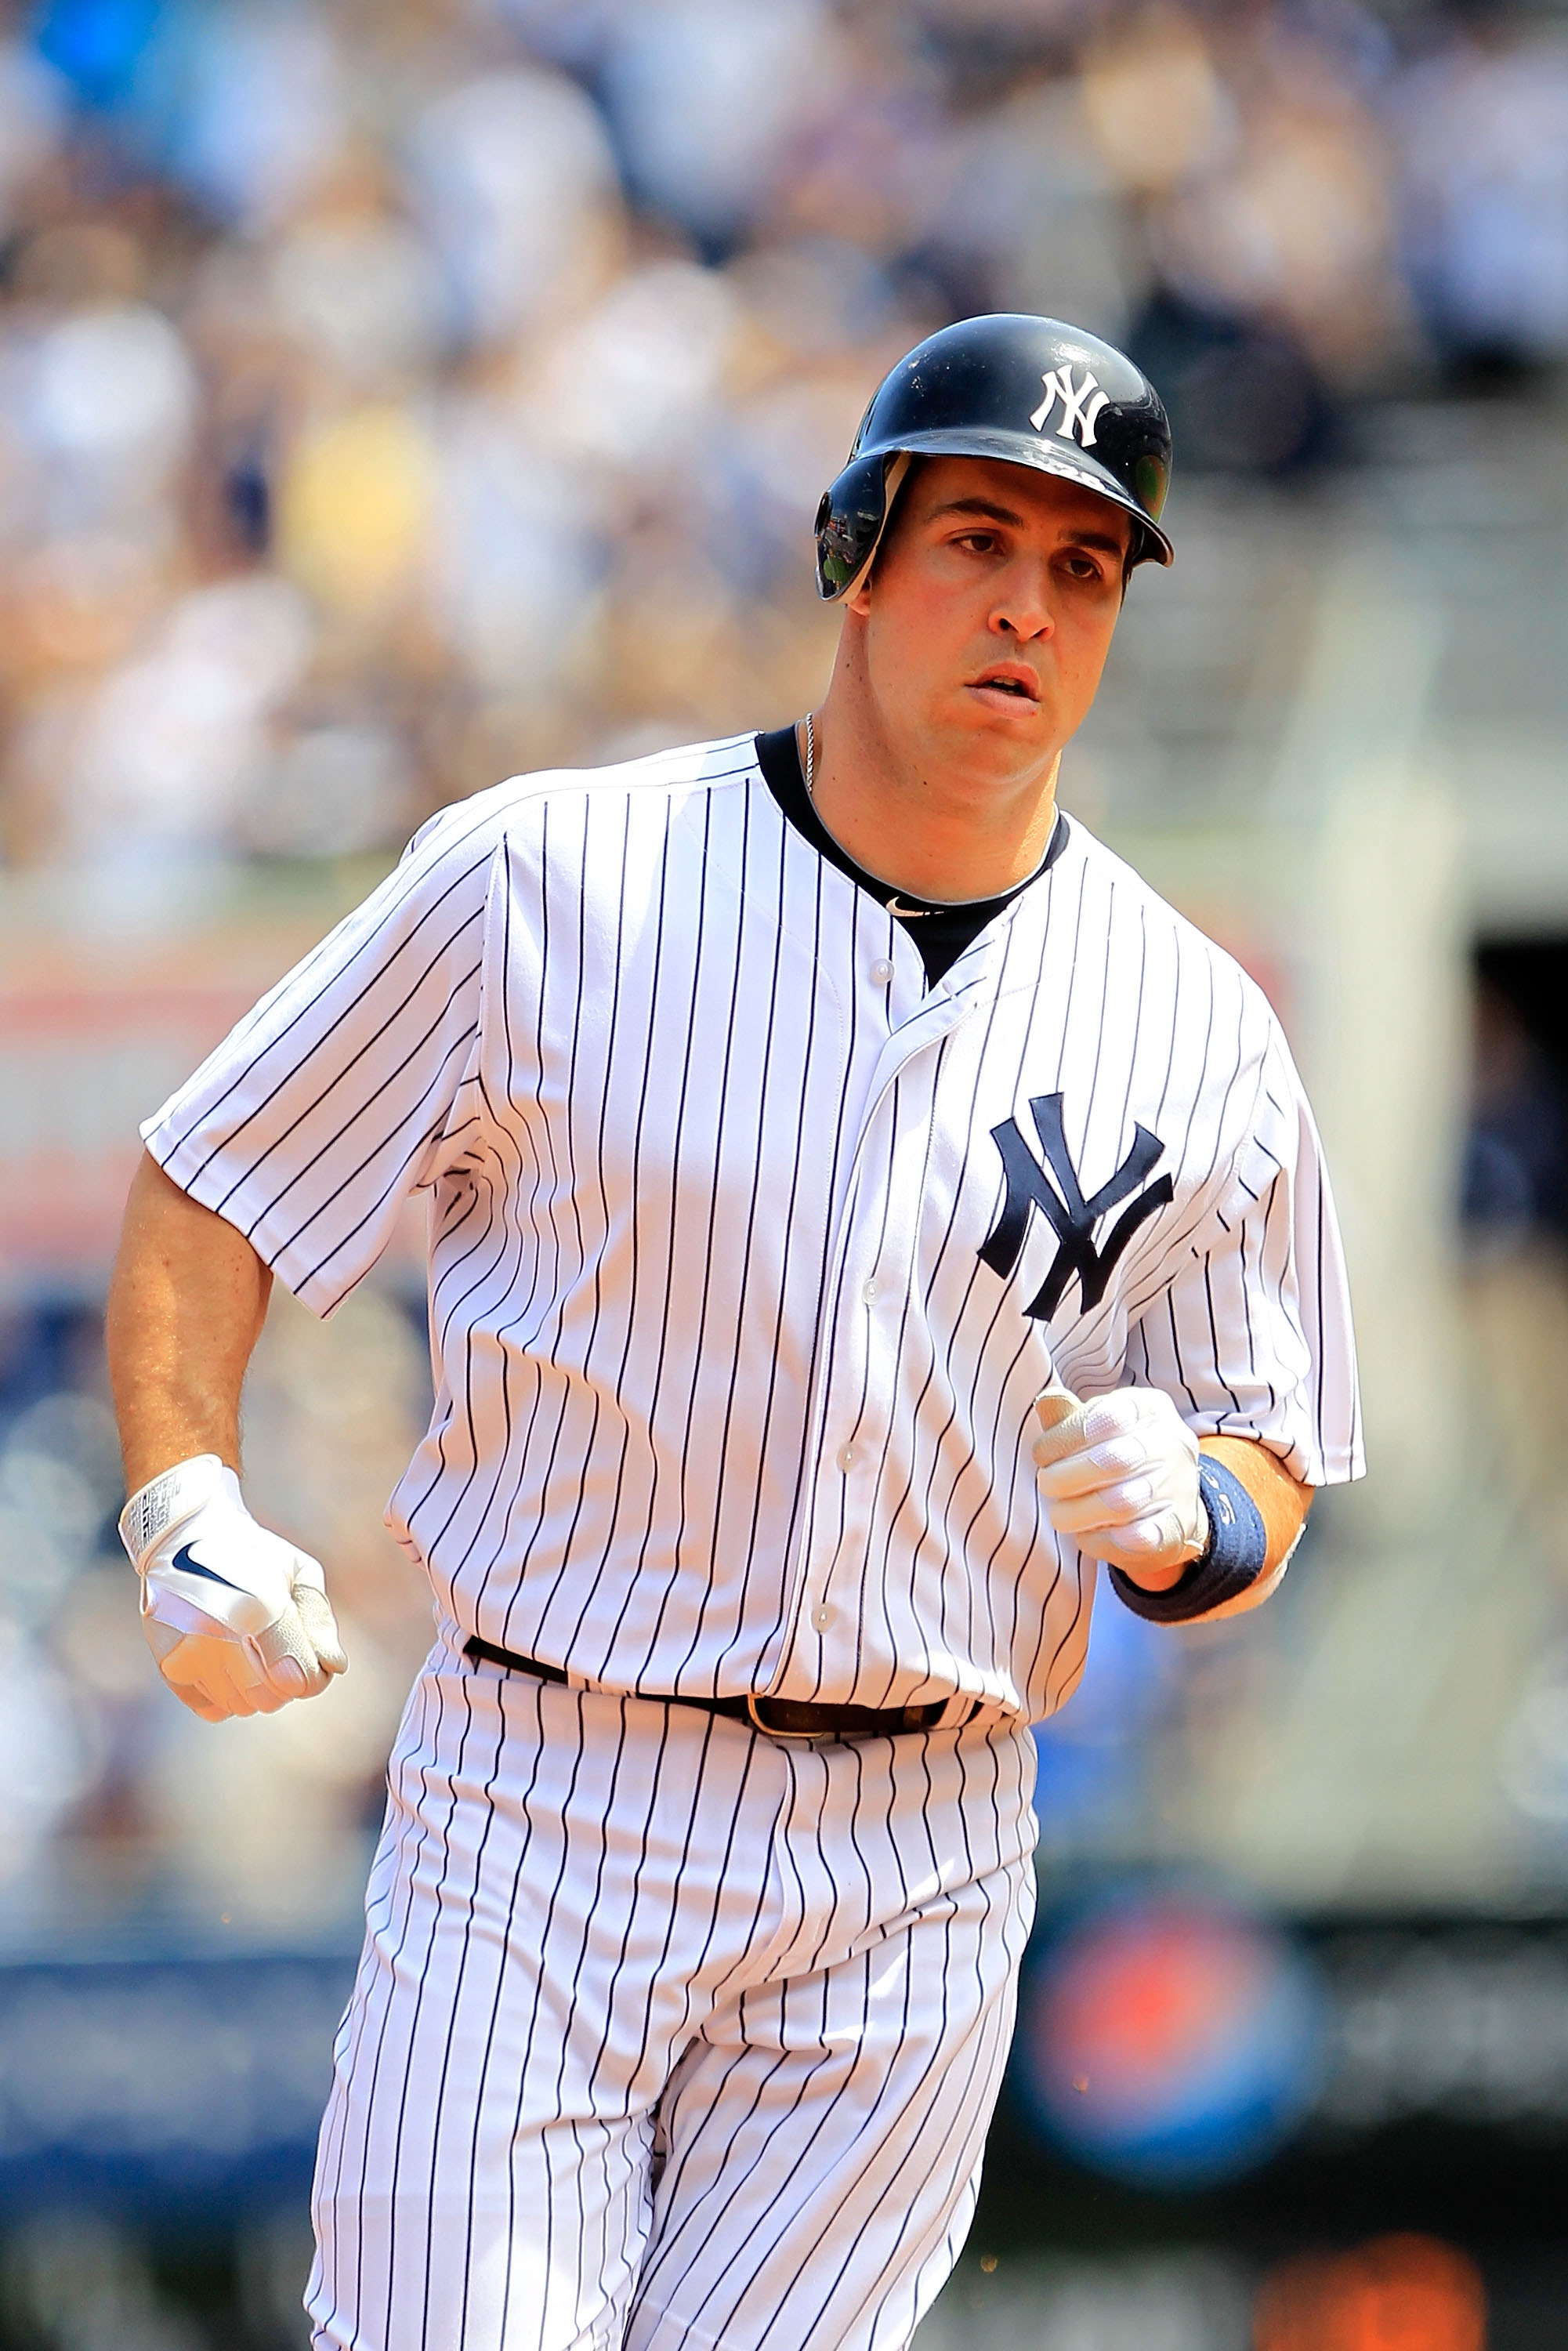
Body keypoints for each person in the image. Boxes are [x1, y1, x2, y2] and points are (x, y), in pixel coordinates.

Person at [107, 314, 1361, 2351]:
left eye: (1079, 564)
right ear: (857, 554)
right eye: (974, 537)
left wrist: (1192, 1516)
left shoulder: (1193, 1020)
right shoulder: (549, 876)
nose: (1024, 603)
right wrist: (182, 1502)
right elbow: (217, 1183)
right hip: (547, 1787)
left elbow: (1266, 1459)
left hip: (924, 1838)